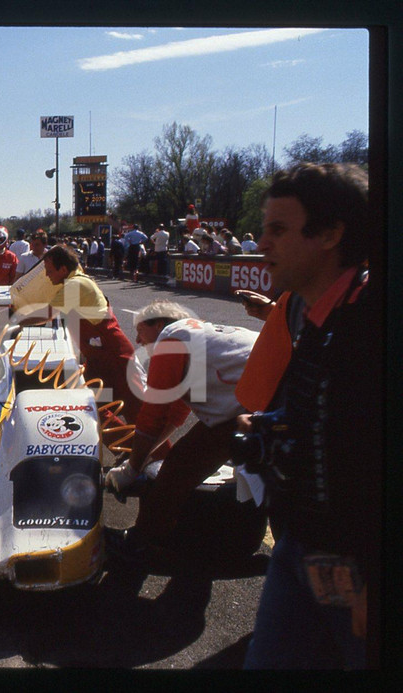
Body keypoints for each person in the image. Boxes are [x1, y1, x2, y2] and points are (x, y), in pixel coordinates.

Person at [240, 163, 377, 670]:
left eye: (278, 230)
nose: (261, 245)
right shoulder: (311, 311)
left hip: (357, 567)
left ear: (330, 234)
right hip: (299, 546)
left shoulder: (371, 320)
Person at [103, 301, 258, 565]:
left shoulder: (172, 340)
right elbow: (176, 414)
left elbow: (153, 418)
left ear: (160, 325)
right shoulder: (194, 337)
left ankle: (142, 544)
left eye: (141, 331)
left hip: (254, 404)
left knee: (175, 471)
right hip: (259, 399)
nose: (138, 340)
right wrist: (139, 461)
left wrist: (132, 469)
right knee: (185, 463)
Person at [23, 245, 144, 424]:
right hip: (97, 358)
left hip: (116, 357)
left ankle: (158, 452)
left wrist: (14, 318)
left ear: (63, 269)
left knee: (139, 415)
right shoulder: (74, 276)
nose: (47, 276)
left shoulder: (75, 284)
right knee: (86, 407)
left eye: (49, 271)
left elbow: (47, 314)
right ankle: (127, 447)